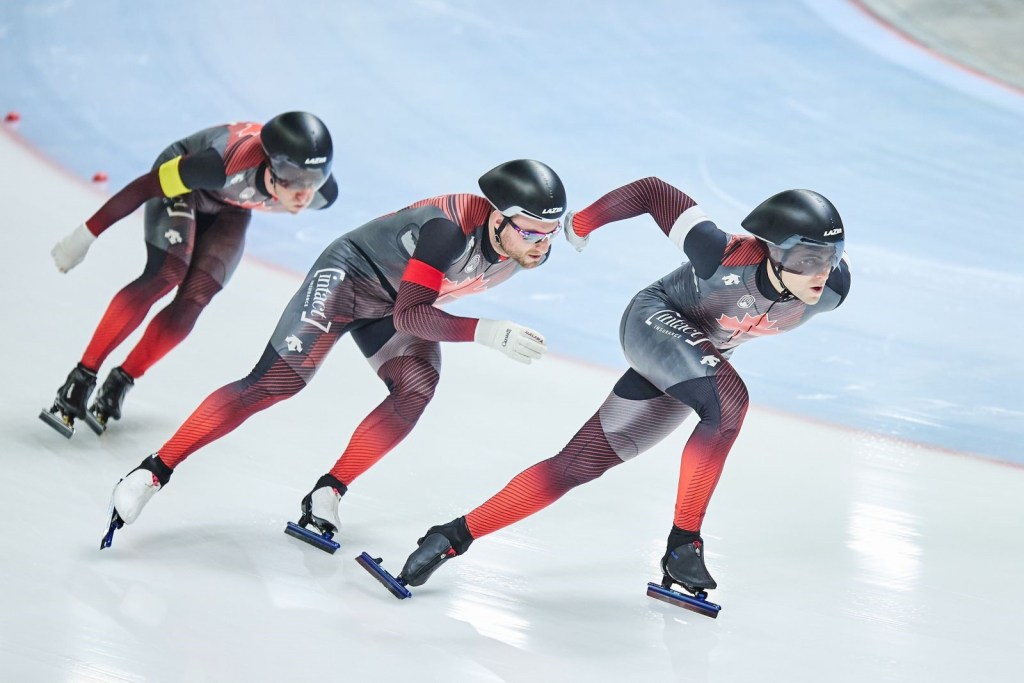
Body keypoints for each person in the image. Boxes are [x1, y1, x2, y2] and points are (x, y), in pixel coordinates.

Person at [394, 177, 851, 604]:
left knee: (576, 465)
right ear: (771, 252)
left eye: (830, 257)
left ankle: (451, 537)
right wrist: (583, 220)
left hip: (692, 358)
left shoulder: (832, 288)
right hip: (654, 320)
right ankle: (683, 544)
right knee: (729, 404)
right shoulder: (720, 253)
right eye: (807, 258)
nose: (820, 271)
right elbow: (655, 192)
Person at [101, 159, 568, 550]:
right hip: (350, 281)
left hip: (398, 298)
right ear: (496, 218)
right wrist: (484, 332)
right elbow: (411, 317)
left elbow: (413, 306)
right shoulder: (447, 232)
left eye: (550, 233)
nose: (541, 245)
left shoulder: (525, 246)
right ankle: (153, 471)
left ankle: (329, 491)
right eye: (531, 233)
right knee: (274, 384)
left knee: (416, 388)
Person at [40, 112, 338, 438]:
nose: (304, 195)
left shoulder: (322, 195)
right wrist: (84, 236)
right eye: (293, 180)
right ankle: (80, 379)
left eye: (314, 181)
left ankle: (121, 381)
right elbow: (144, 187)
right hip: (186, 185)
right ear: (269, 164)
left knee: (196, 296)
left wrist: (300, 181)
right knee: (166, 273)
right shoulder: (219, 164)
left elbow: (303, 186)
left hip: (231, 206)